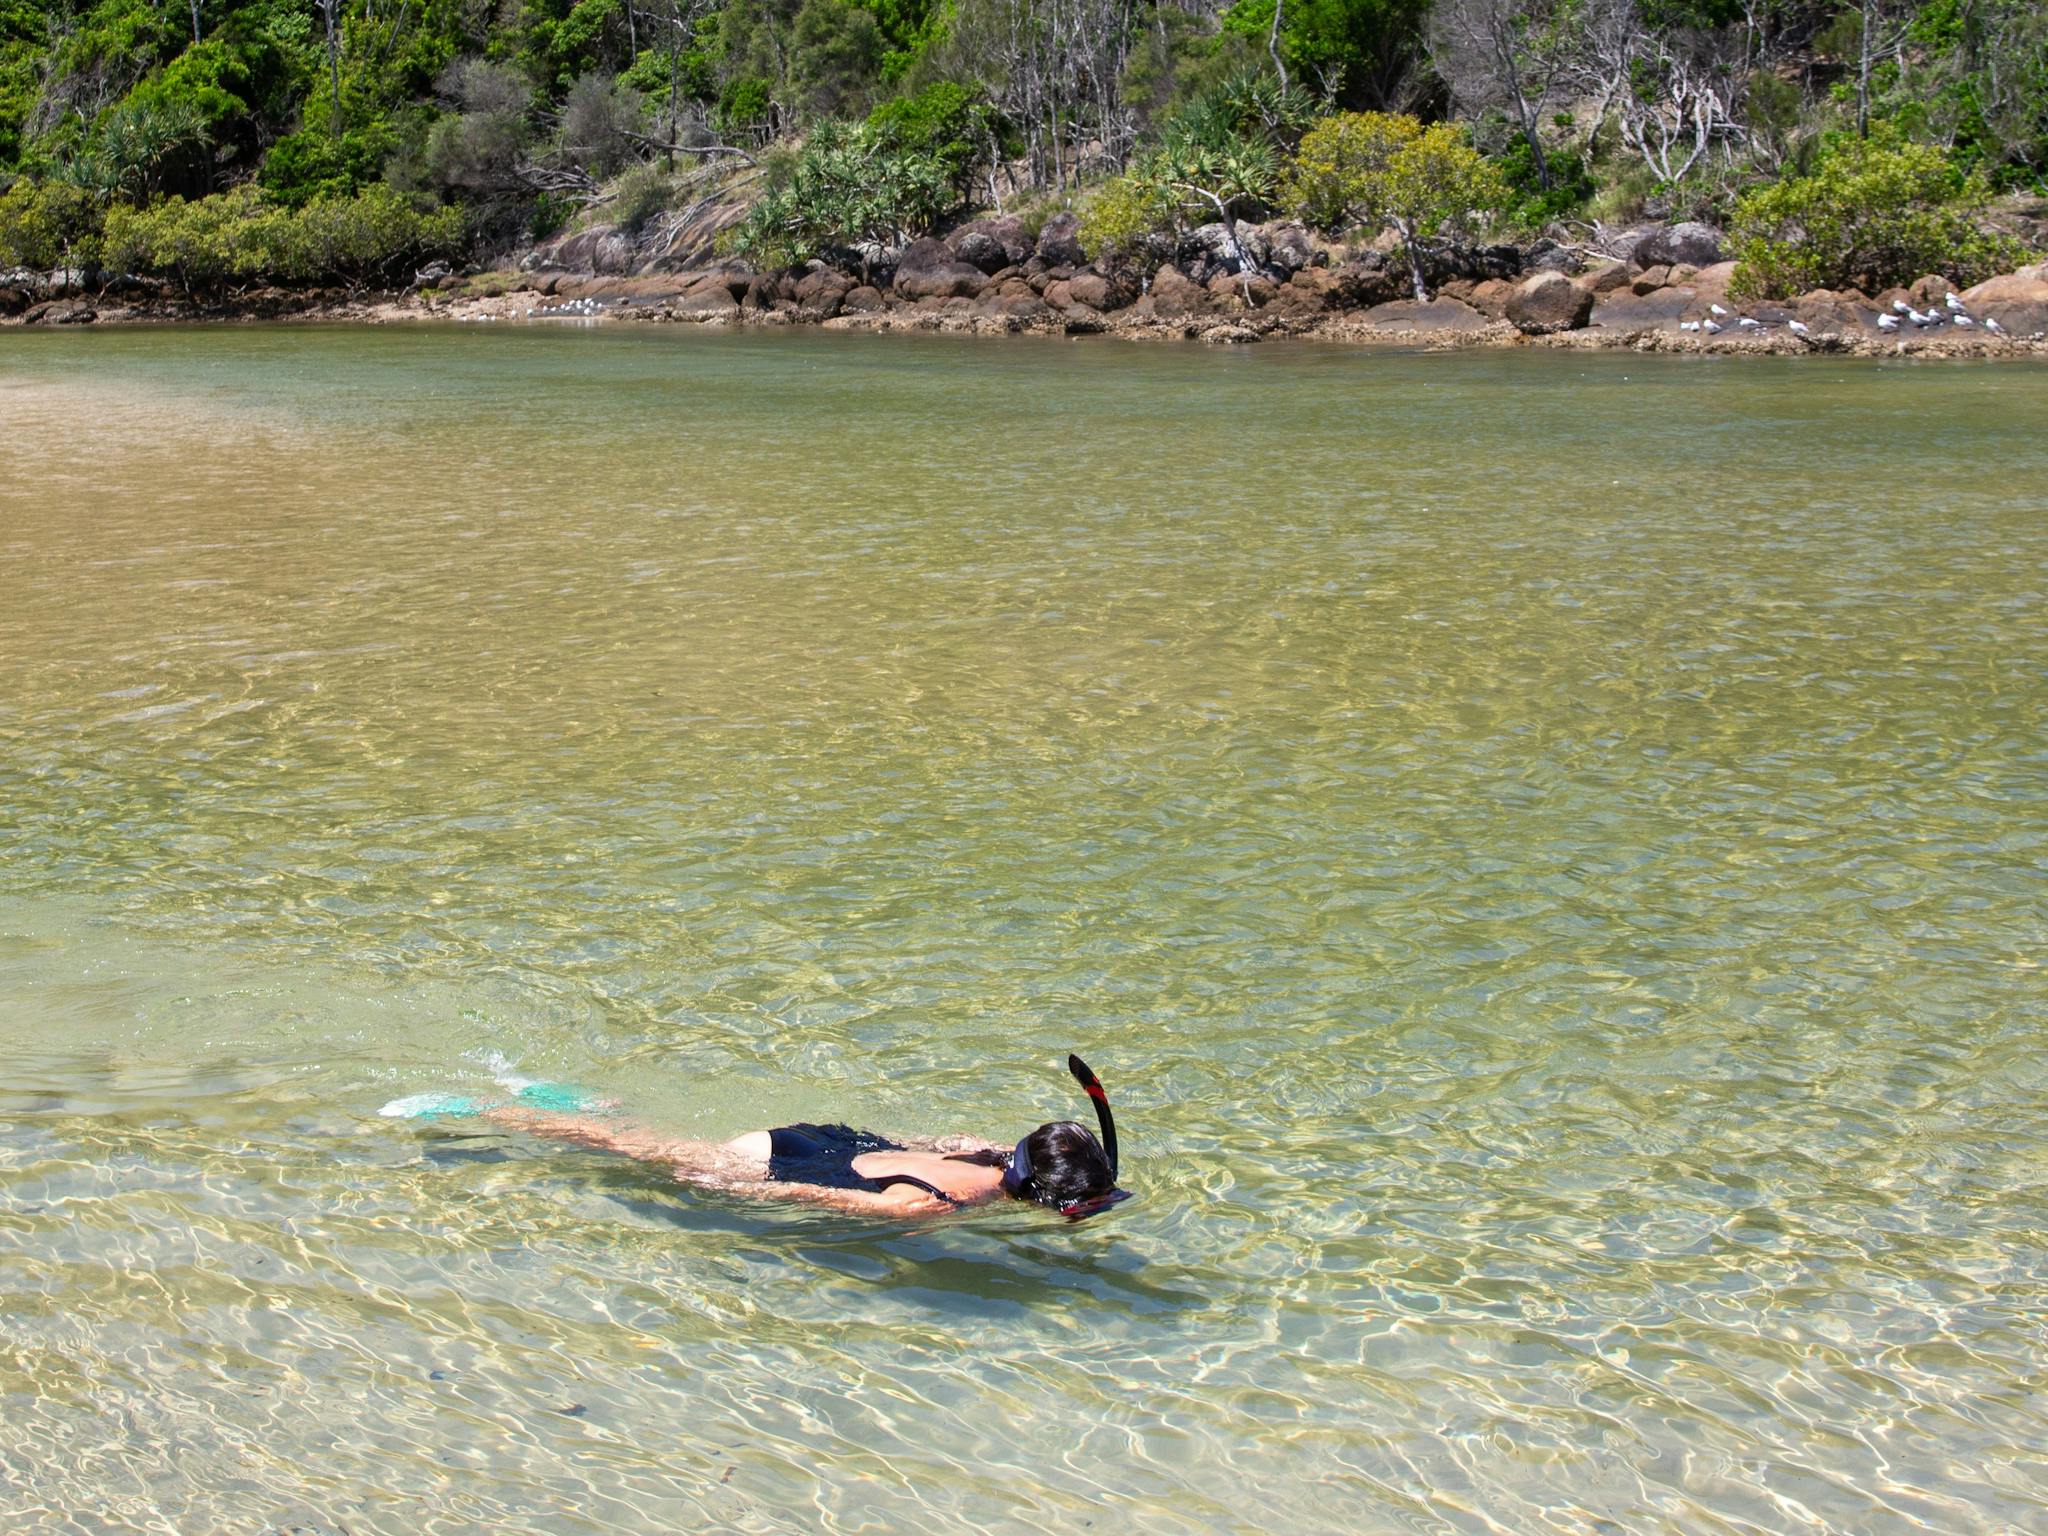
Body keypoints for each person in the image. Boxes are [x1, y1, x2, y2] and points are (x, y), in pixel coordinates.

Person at [386, 1054, 1129, 1219]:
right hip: (783, 1161)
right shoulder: (933, 1207)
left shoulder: (990, 1151)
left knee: (639, 1132)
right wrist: (730, 1183)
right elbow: (817, 1202)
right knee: (634, 1151)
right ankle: (484, 1110)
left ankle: (554, 1093)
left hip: (828, 1136)